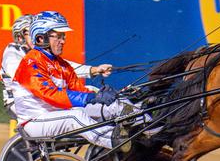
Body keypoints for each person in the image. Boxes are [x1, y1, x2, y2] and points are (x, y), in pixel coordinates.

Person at [12, 11, 136, 150]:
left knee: (114, 105)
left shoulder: (62, 65)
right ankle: (115, 141)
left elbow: (79, 90)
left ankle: (151, 132)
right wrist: (91, 96)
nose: (63, 41)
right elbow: (52, 94)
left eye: (63, 36)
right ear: (41, 38)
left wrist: (100, 97)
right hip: (35, 121)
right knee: (75, 116)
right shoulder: (31, 62)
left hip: (58, 114)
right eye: (58, 36)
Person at [0, 14, 113, 134]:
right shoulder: (13, 54)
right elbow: (31, 78)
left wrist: (93, 70)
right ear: (20, 37)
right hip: (19, 102)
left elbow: (63, 67)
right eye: (29, 32)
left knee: (89, 90)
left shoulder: (40, 55)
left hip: (40, 97)